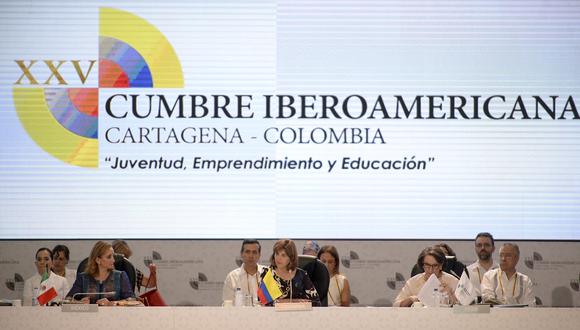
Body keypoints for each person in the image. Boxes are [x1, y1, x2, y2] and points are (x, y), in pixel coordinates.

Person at [67, 241, 135, 305]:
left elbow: (131, 300)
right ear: (98, 260)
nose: (113, 260)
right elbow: (68, 299)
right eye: (109, 257)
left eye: (113, 256)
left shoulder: (121, 276)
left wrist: (112, 303)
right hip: (88, 316)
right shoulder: (83, 278)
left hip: (114, 315)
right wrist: (80, 302)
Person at [260, 239, 321, 306]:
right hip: (273, 315)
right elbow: (262, 302)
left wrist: (282, 302)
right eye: (277, 254)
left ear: (291, 257)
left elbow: (316, 302)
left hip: (299, 315)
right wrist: (293, 301)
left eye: (283, 255)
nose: (278, 258)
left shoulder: (301, 275)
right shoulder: (268, 273)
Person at [394, 247, 459, 307]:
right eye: (427, 265)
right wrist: (410, 299)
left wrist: (451, 296)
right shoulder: (412, 282)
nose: (430, 270)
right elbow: (395, 305)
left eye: (435, 266)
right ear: (422, 265)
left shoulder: (452, 281)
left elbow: (465, 310)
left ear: (441, 266)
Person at [222, 239, 266, 304]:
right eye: (247, 252)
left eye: (254, 252)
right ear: (241, 254)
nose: (251, 256)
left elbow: (275, 302)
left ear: (259, 255)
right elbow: (227, 304)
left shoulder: (267, 273)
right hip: (239, 314)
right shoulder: (232, 277)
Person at [466, 232, 498, 298]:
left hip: (497, 307)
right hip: (475, 307)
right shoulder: (468, 271)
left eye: (486, 245)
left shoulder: (500, 269)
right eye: (479, 245)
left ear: (493, 248)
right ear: (475, 248)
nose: (483, 248)